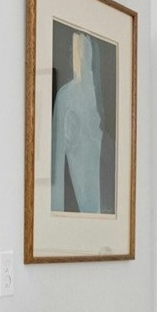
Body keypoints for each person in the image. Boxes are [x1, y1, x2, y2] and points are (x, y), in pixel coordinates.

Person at [53, 32, 104, 212]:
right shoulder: (66, 95)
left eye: (86, 50)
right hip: (75, 157)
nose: (82, 56)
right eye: (79, 50)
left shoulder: (95, 92)